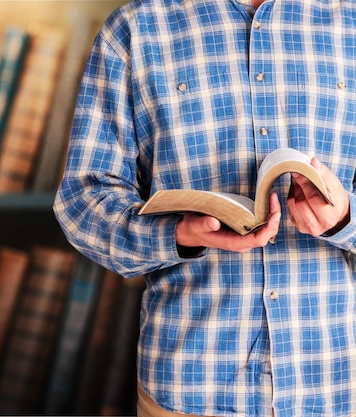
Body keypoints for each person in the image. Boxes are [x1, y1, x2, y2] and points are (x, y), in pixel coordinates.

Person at [53, 0, 356, 416]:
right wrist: (177, 234)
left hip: (337, 386)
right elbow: (82, 202)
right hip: (192, 387)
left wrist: (344, 218)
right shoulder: (136, 29)